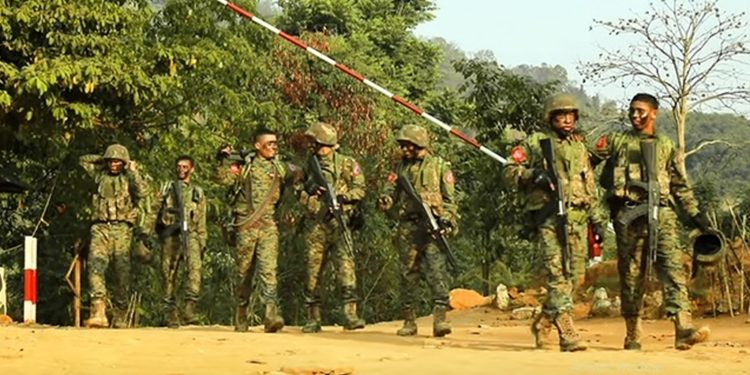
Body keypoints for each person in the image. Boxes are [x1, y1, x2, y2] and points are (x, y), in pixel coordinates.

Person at [592, 93, 711, 350]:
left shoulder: (666, 145)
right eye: (632, 111)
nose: (635, 116)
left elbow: (680, 186)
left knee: (672, 270)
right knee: (631, 274)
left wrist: (697, 217)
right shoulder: (616, 140)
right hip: (628, 214)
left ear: (654, 113)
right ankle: (633, 331)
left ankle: (682, 327)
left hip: (662, 214)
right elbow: (585, 160)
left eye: (641, 111)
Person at [503, 93, 608, 351]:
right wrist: (532, 174)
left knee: (575, 278)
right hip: (549, 217)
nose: (567, 120)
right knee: (557, 274)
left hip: (578, 218)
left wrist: (597, 220)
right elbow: (509, 172)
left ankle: (544, 320)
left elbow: (589, 185)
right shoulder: (536, 143)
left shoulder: (580, 147)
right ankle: (567, 331)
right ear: (551, 118)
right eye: (561, 115)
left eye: (571, 115)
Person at [215, 128, 298, 333]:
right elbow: (223, 179)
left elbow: (297, 172)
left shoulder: (278, 166)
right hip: (246, 225)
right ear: (257, 146)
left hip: (268, 225)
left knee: (268, 271)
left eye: (275, 143)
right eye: (268, 144)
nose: (273, 147)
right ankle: (241, 313)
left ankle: (270, 315)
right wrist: (223, 159)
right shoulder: (245, 166)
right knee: (244, 273)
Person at [378, 124, 458, 337]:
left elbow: (450, 201)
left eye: (407, 145)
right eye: (402, 145)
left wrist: (447, 219)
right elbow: (390, 190)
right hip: (409, 226)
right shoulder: (400, 168)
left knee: (437, 270)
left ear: (418, 144)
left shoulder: (440, 166)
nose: (403, 149)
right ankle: (409, 321)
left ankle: (440, 319)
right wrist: (386, 199)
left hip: (433, 226)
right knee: (407, 273)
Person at [299, 121, 366, 333]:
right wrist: (310, 197)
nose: (313, 147)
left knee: (346, 268)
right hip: (316, 225)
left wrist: (343, 198)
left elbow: (360, 189)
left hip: (340, 222)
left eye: (316, 143)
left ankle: (350, 314)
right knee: (312, 271)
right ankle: (313, 317)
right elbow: (297, 189)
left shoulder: (347, 163)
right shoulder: (309, 165)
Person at [79, 143, 151, 328]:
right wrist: (103, 158)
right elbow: (83, 160)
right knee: (95, 266)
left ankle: (120, 314)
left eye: (118, 161)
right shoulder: (99, 175)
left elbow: (143, 192)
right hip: (100, 227)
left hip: (122, 229)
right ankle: (98, 311)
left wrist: (132, 169)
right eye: (111, 161)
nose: (114, 164)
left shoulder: (130, 178)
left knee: (122, 272)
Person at [155, 155, 207, 328]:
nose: (181, 170)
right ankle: (170, 312)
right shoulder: (166, 188)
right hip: (171, 234)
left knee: (194, 271)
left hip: (191, 234)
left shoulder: (197, 192)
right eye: (178, 166)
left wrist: (202, 242)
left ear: (192, 169)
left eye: (185, 167)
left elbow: (202, 220)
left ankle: (189, 309)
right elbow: (153, 210)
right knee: (168, 273)